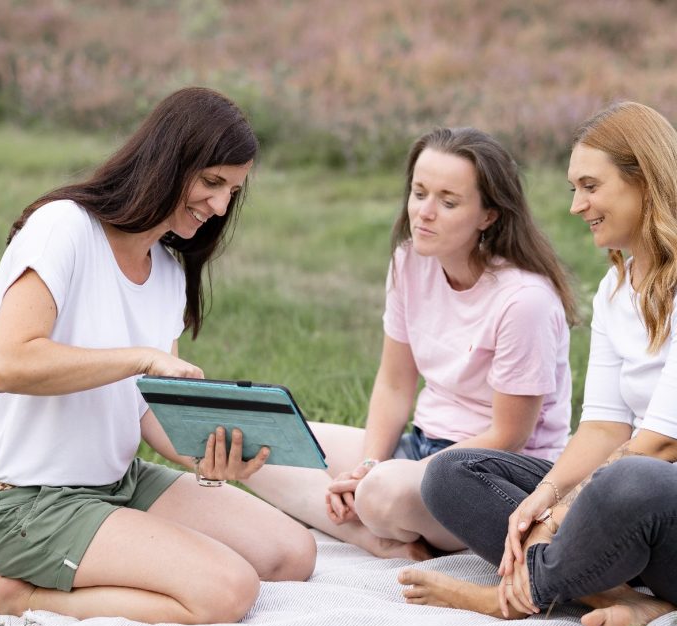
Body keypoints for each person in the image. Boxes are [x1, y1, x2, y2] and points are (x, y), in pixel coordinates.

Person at [0, 87, 316, 625]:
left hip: (118, 482)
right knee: (227, 591)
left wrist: (205, 454)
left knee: (291, 553)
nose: (221, 206)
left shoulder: (169, 272)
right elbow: (10, 364)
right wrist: (140, 358)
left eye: (232, 190)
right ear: (168, 161)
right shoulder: (64, 227)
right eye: (211, 182)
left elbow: (148, 412)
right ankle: (25, 598)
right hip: (24, 500)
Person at [400, 101, 677, 626]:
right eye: (573, 188)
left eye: (590, 186)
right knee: (451, 472)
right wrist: (544, 499)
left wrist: (558, 519)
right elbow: (603, 427)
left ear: (646, 182)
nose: (576, 205)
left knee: (629, 477)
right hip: (631, 498)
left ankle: (517, 596)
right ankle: (624, 598)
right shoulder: (616, 287)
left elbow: (664, 444)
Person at [243, 127, 576, 558]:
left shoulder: (525, 301)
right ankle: (374, 539)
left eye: (448, 202)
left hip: (489, 475)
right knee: (258, 440)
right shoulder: (409, 262)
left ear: (488, 215)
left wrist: (385, 477)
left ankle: (378, 514)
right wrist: (368, 464)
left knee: (380, 493)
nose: (425, 212)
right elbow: (395, 383)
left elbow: (510, 435)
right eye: (419, 194)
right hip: (420, 446)